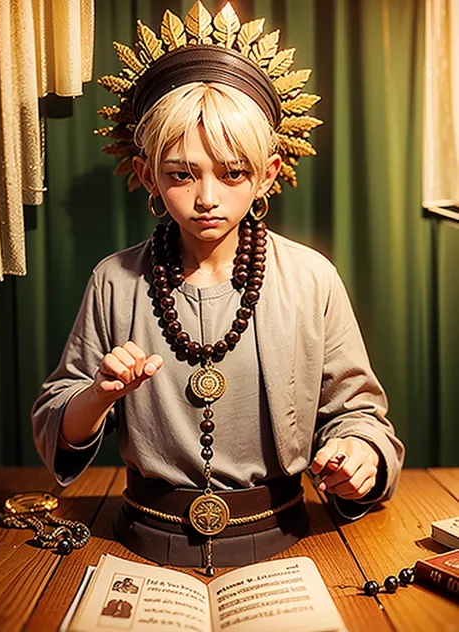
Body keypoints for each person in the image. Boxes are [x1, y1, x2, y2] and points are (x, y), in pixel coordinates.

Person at [32, 2, 404, 574]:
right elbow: (58, 418)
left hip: (289, 544)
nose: (207, 197)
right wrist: (100, 394)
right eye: (182, 174)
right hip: (140, 546)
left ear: (268, 175)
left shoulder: (311, 278)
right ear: (149, 174)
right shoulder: (114, 280)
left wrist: (359, 458)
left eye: (232, 173)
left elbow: (358, 416)